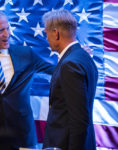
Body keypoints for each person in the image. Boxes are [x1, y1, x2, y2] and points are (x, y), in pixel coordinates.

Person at [0, 10, 55, 150]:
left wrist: (73, 56)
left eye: (8, 28)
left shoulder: (26, 54)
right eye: (1, 30)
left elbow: (55, 70)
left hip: (23, 139)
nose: (7, 34)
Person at [42, 9, 98, 150]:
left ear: (56, 33)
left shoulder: (69, 64)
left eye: (46, 33)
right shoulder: (83, 57)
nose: (46, 38)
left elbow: (79, 119)